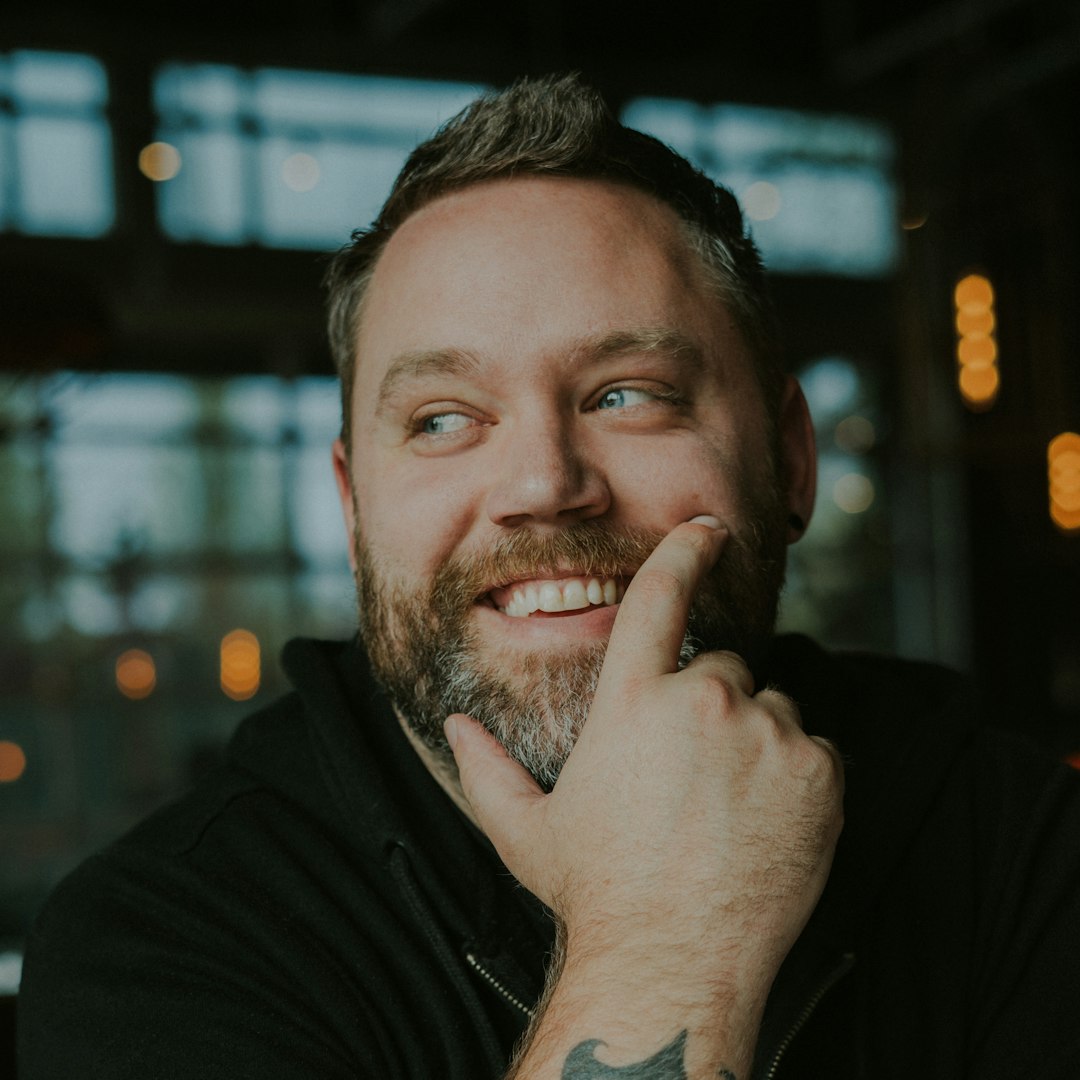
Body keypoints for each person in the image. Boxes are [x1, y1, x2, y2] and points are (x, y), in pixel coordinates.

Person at [17, 74, 1080, 1079]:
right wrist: (666, 943)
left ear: (790, 462)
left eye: (627, 394)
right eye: (444, 419)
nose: (543, 484)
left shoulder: (1017, 847)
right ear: (352, 509)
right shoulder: (155, 949)